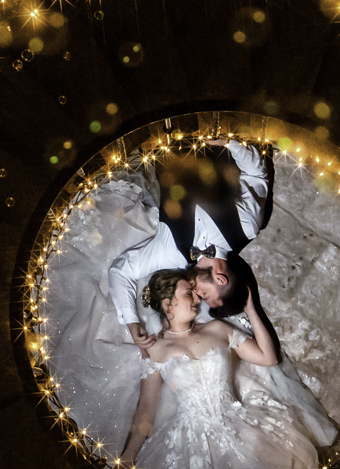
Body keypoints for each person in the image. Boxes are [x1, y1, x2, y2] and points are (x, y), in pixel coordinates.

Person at [114, 266, 329, 469]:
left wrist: (251, 308)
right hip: (190, 443)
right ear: (167, 303)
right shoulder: (154, 350)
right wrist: (127, 460)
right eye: (189, 294)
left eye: (196, 294)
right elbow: (146, 410)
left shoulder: (218, 329)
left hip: (240, 424)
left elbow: (268, 358)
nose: (197, 299)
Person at [106, 141, 269, 351]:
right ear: (220, 279)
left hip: (164, 137)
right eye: (205, 295)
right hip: (209, 128)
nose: (196, 293)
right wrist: (228, 143)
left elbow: (121, 271)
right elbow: (256, 174)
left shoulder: (172, 253)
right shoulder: (247, 228)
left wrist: (131, 321)